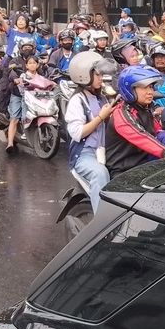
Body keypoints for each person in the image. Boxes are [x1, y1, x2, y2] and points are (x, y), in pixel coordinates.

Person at [64, 52, 117, 211]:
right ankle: (102, 227)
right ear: (84, 75)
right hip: (84, 155)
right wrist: (101, 116)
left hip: (103, 151)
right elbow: (78, 133)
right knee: (100, 174)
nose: (101, 78)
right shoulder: (77, 100)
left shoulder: (101, 97)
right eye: (98, 74)